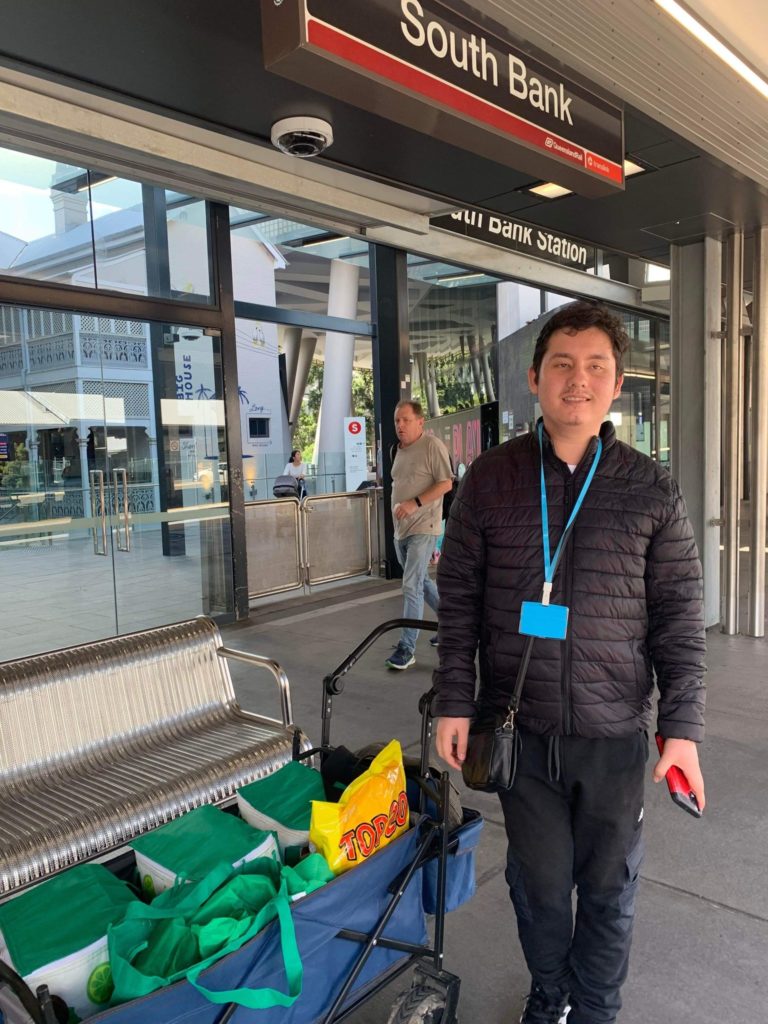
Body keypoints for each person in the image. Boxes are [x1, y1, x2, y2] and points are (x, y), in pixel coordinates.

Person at [433, 301, 706, 1024]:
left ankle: (594, 1010)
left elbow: (680, 619)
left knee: (611, 889)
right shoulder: (489, 480)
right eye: (562, 364)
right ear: (534, 378)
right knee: (541, 887)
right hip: (519, 730)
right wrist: (454, 702)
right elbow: (457, 602)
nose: (577, 381)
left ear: (617, 386)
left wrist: (681, 729)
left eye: (595, 367)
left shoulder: (650, 489)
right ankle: (549, 992)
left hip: (614, 733)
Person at [386, 399, 453, 670]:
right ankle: (450, 626)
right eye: (397, 421)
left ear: (420, 421)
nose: (400, 425)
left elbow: (446, 483)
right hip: (401, 530)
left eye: (405, 420)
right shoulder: (397, 451)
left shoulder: (432, 446)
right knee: (421, 581)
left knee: (411, 585)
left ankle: (406, 647)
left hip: (424, 528)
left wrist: (415, 503)